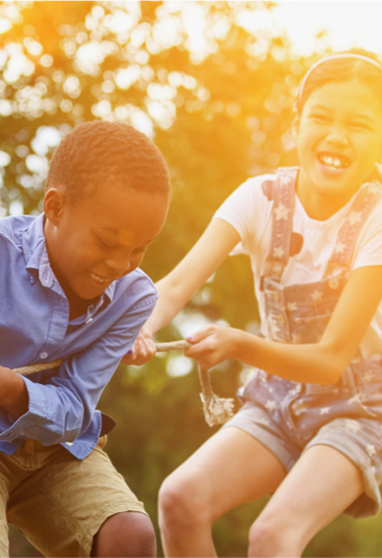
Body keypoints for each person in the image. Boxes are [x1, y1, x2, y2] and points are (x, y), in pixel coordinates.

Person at [126, 50, 382, 557]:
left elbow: (332, 359)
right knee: (181, 498)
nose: (336, 136)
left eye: (359, 124)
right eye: (322, 118)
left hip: (362, 409)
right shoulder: (259, 198)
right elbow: (175, 286)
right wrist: (134, 328)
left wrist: (239, 345)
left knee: (272, 536)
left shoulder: (376, 220)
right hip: (281, 399)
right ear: (297, 123)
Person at [0, 121, 169, 557]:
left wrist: (13, 390)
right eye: (106, 242)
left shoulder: (134, 298)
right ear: (54, 208)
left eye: (139, 249)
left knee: (131, 535)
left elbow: (76, 406)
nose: (120, 263)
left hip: (58, 447)